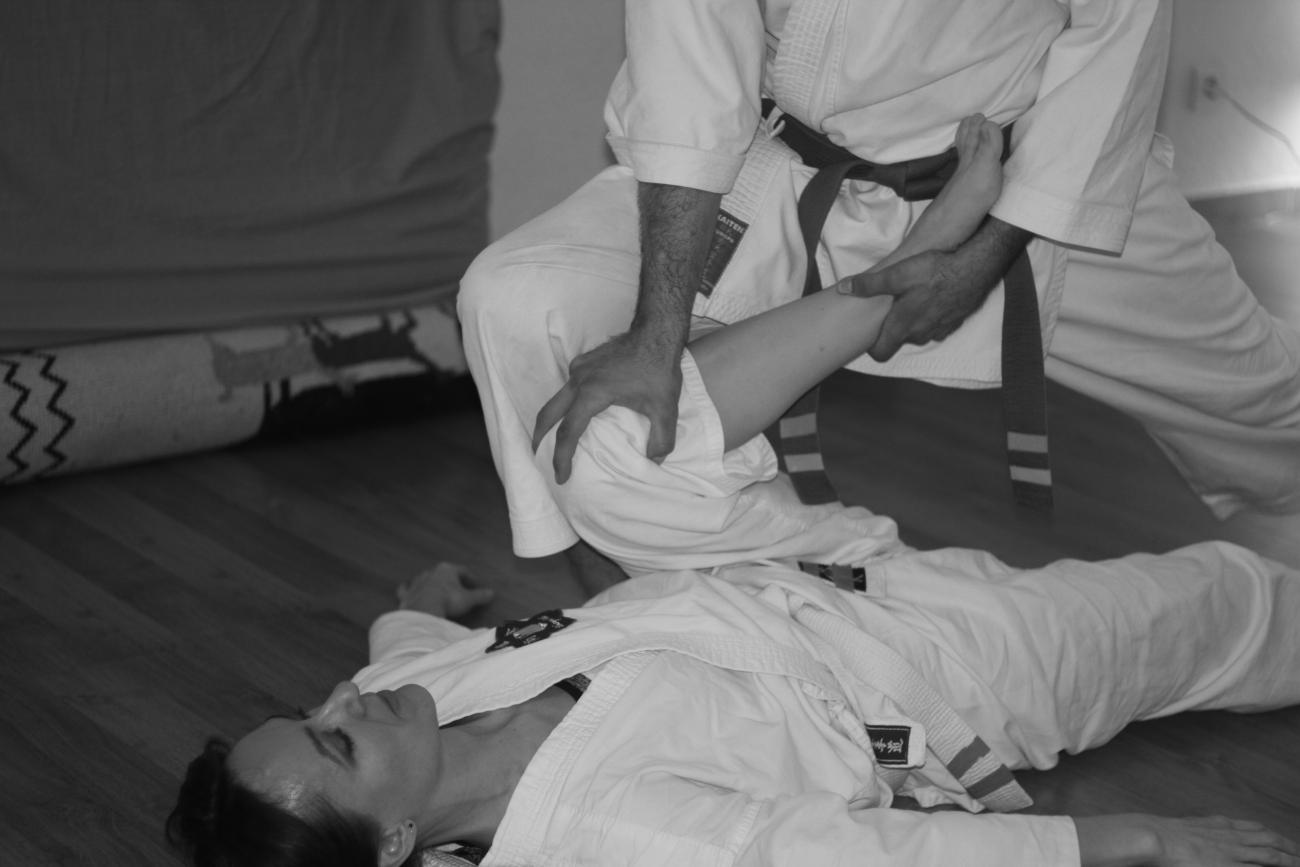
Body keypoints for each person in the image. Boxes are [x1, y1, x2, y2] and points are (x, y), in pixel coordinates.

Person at [169, 131, 1300, 865]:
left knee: (604, 440)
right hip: (927, 680)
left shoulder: (398, 698)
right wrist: (1134, 841)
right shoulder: (612, 829)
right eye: (337, 743)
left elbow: (397, 658)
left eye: (315, 709)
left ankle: (901, 275)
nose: (347, 702)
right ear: (397, 843)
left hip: (759, 565)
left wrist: (412, 609)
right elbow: (862, 855)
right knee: (1219, 598)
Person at [456, 0, 1300, 587]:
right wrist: (655, 333)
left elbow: (1119, 32)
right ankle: (646, 604)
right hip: (779, 165)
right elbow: (689, 73)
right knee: (514, 299)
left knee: (1264, 398)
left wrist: (985, 247)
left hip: (1024, 179)